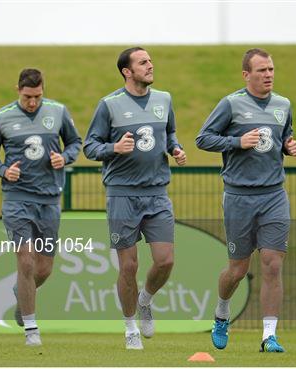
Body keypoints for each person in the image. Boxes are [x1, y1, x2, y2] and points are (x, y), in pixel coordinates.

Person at [196, 48, 296, 353]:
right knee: (237, 270)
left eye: (271, 69)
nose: (268, 75)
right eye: (261, 70)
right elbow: (203, 139)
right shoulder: (231, 104)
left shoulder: (283, 105)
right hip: (239, 198)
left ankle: (269, 336)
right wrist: (236, 142)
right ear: (246, 75)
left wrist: (288, 146)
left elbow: (283, 138)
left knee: (272, 265)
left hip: (274, 196)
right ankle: (222, 313)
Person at [83, 47, 187, 350]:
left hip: (157, 193)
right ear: (127, 72)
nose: (150, 66)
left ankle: (146, 299)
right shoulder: (109, 105)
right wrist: (114, 148)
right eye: (143, 63)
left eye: (151, 60)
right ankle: (130, 329)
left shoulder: (164, 100)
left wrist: (175, 149)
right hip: (122, 195)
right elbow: (90, 147)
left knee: (165, 261)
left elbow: (169, 135)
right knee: (128, 267)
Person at [0, 68, 81, 347]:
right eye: (27, 97)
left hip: (49, 199)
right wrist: (2, 170)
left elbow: (76, 143)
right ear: (18, 90)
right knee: (25, 260)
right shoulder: (1, 117)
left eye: (37, 96)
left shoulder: (58, 112)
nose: (33, 103)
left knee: (44, 269)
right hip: (16, 199)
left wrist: (65, 157)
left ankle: (21, 295)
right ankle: (32, 330)